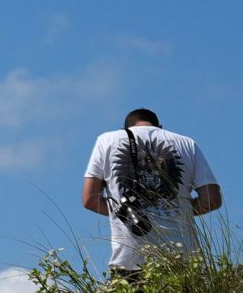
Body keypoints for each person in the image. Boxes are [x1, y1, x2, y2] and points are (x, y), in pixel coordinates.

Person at [82, 108, 222, 277]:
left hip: (130, 263)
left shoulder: (107, 140)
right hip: (185, 261)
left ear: (125, 129)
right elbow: (212, 199)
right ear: (160, 127)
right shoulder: (187, 144)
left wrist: (123, 212)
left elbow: (90, 199)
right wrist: (176, 211)